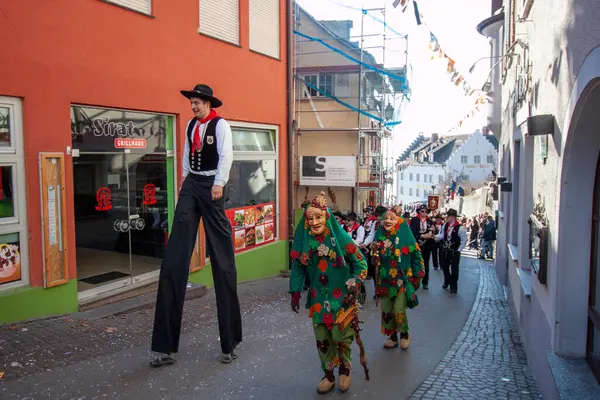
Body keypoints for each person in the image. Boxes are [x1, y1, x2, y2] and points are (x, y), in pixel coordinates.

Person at [150, 84, 242, 367]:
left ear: (207, 103)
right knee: (174, 260)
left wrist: (219, 184)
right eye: (191, 102)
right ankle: (165, 347)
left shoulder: (221, 125)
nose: (193, 106)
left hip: (213, 184)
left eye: (197, 102)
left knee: (223, 262)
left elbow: (227, 156)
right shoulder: (191, 125)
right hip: (192, 185)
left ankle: (229, 343)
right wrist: (184, 182)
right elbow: (187, 155)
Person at [289, 192, 368, 394]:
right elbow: (298, 266)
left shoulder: (340, 239)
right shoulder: (306, 240)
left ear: (327, 218)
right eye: (310, 218)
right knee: (323, 339)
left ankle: (345, 368)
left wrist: (354, 285)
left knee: (341, 337)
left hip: (342, 298)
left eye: (318, 217)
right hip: (318, 298)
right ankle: (329, 374)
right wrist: (295, 291)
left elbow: (360, 263)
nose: (314, 222)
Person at [371, 206, 424, 350]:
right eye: (386, 218)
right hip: (385, 280)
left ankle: (404, 333)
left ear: (398, 221)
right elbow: (374, 260)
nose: (388, 221)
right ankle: (393, 336)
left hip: (402, 280)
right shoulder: (379, 236)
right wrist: (374, 256)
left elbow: (417, 257)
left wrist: (417, 277)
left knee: (399, 310)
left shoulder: (406, 235)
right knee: (387, 310)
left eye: (391, 218)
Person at [435, 209, 467, 294]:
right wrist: (435, 236)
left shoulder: (460, 228)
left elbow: (464, 241)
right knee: (445, 267)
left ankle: (453, 286)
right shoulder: (445, 225)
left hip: (454, 251)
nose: (446, 218)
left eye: (447, 216)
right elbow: (442, 235)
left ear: (452, 217)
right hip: (445, 250)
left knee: (454, 269)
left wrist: (458, 250)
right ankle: (447, 281)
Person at [409, 204, 436, 290]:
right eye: (422, 211)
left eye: (425, 211)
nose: (424, 213)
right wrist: (421, 236)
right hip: (416, 245)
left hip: (427, 245)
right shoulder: (414, 220)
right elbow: (412, 232)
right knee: (415, 262)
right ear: (419, 212)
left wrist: (433, 231)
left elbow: (434, 232)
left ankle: (425, 282)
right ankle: (414, 281)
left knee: (426, 264)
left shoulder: (430, 221)